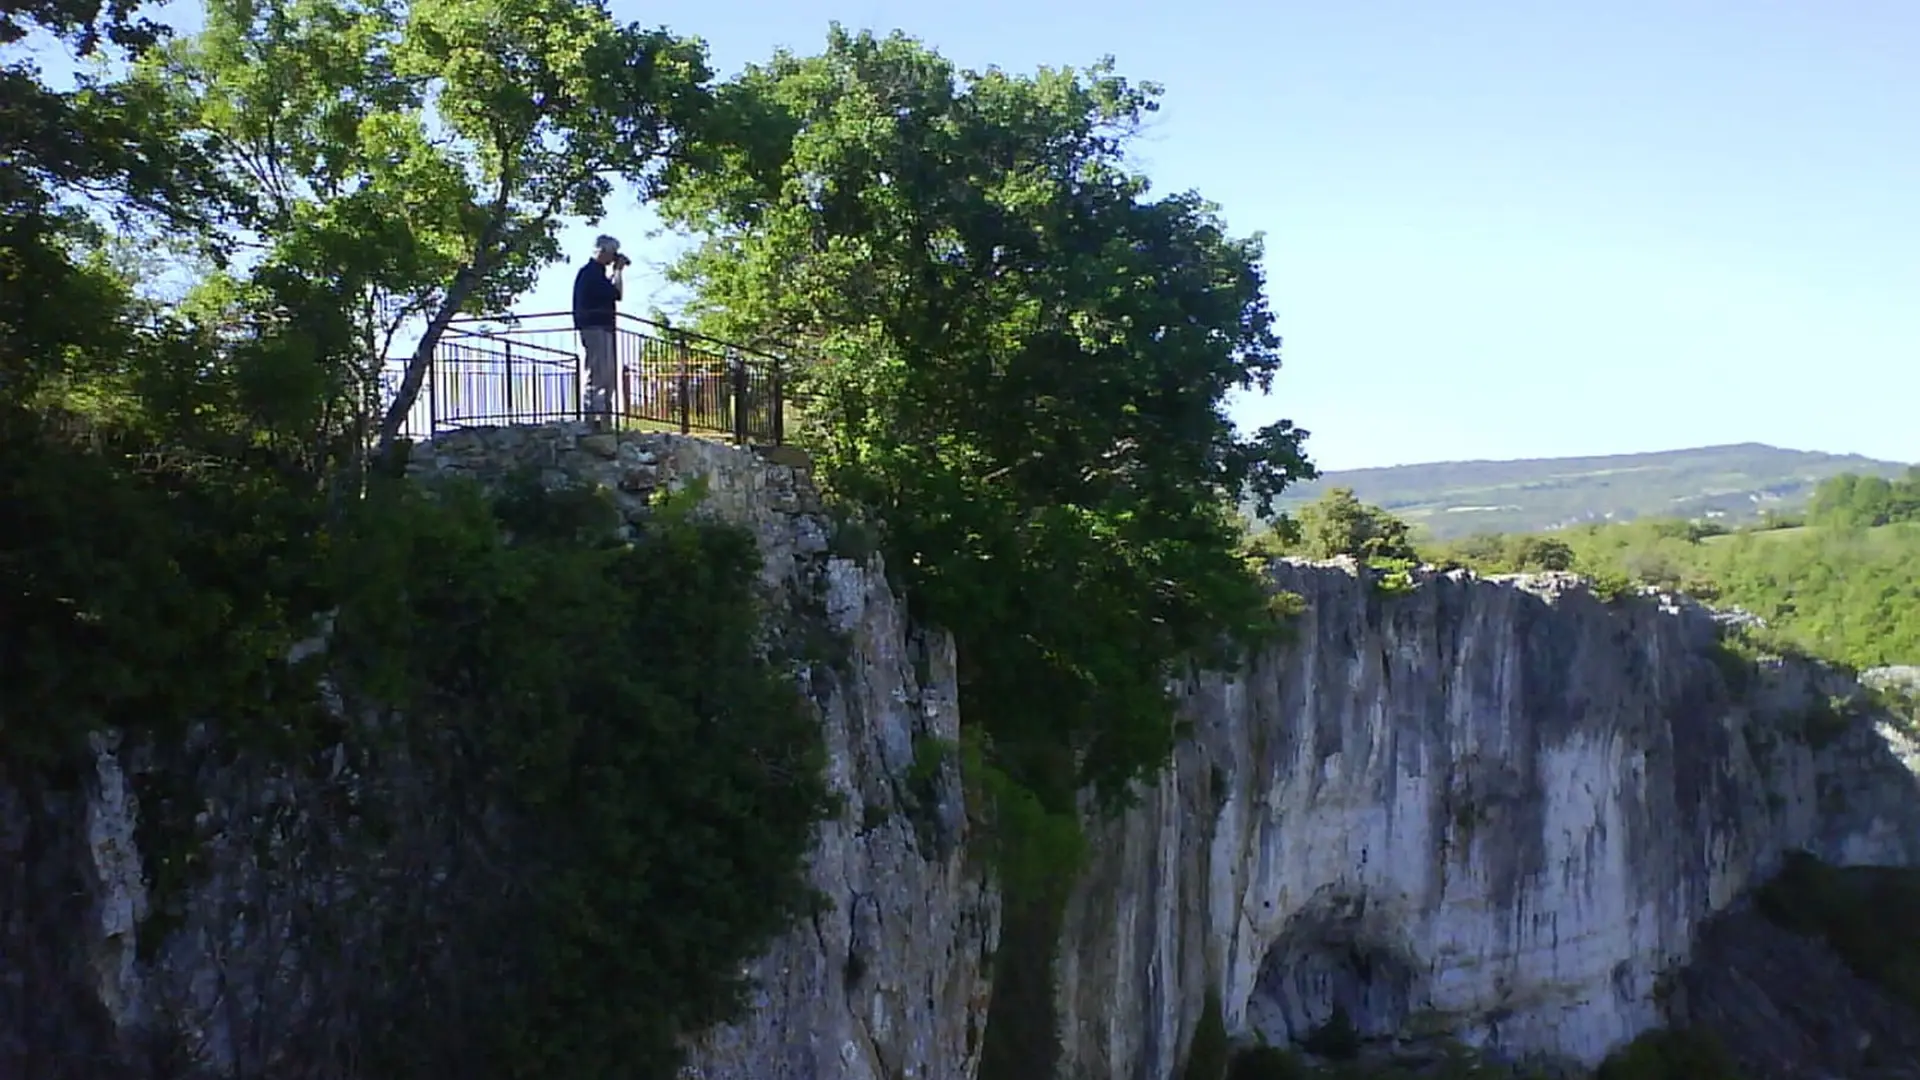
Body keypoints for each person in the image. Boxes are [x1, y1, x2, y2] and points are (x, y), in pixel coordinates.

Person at [572, 235, 627, 427]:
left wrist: (614, 273)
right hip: (595, 327)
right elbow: (617, 293)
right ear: (603, 252)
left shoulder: (597, 274)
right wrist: (618, 271)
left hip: (603, 328)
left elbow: (610, 292)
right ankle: (594, 416)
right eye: (612, 253)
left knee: (607, 374)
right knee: (598, 372)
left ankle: (604, 417)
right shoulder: (590, 273)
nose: (613, 258)